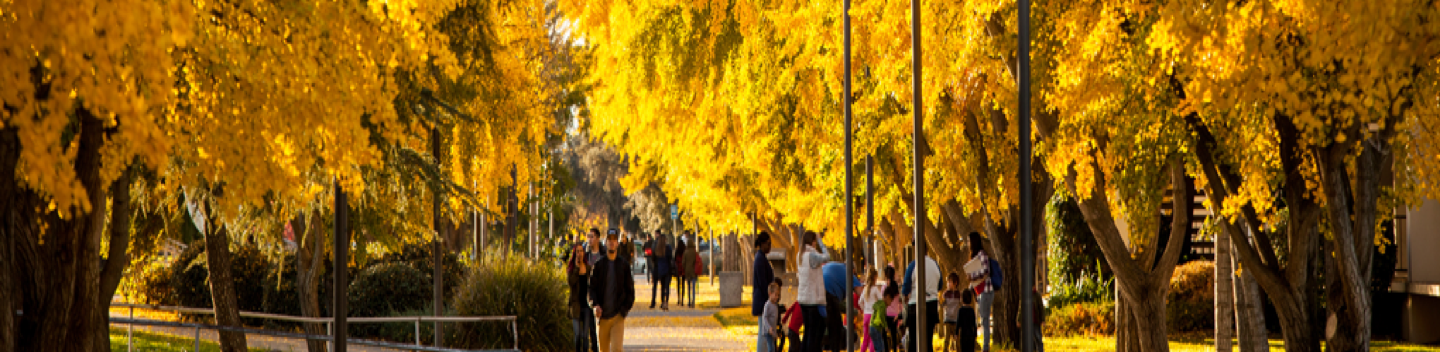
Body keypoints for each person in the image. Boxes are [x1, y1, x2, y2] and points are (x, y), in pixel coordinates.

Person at [589, 228, 636, 352]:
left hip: (617, 316)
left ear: (617, 243)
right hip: (602, 317)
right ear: (605, 242)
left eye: (614, 239)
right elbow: (591, 289)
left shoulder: (624, 266)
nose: (611, 242)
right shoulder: (599, 265)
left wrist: (624, 310)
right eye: (609, 239)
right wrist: (595, 305)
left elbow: (630, 291)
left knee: (616, 349)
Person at [796, 231, 828, 352]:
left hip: (803, 299)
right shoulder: (811, 256)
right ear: (812, 241)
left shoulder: (800, 255)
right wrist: (821, 241)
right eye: (815, 240)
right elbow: (827, 257)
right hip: (812, 300)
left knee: (807, 332)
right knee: (812, 334)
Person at [902, 252, 940, 352]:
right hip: (932, 304)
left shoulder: (913, 265)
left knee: (913, 341)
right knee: (928, 340)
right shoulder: (935, 264)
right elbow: (940, 284)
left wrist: (906, 296)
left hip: (915, 305)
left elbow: (906, 286)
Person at [965, 232, 995, 352]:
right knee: (983, 319)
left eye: (968, 241)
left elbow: (986, 271)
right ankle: (985, 346)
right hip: (980, 291)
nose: (967, 244)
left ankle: (985, 347)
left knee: (984, 319)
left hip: (986, 291)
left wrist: (972, 276)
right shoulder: (975, 256)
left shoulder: (982, 254)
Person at [568, 235, 593, 352]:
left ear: (584, 253)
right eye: (577, 251)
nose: (579, 253)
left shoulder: (588, 268)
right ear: (575, 254)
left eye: (581, 251)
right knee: (577, 334)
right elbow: (571, 282)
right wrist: (577, 269)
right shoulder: (572, 269)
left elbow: (592, 285)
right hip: (576, 305)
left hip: (587, 305)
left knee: (584, 335)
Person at [753, 231, 776, 318]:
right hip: (762, 300)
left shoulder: (762, 257)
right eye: (768, 244)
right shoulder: (760, 259)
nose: (770, 247)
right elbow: (762, 281)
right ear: (763, 244)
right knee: (764, 328)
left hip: (763, 300)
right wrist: (770, 297)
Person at [859, 268, 882, 352]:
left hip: (866, 315)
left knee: (865, 338)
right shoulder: (875, 289)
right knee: (873, 339)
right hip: (873, 316)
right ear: (874, 278)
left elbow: (860, 302)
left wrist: (864, 309)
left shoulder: (865, 289)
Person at [651, 232, 674, 310]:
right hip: (667, 270)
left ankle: (662, 301)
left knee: (662, 287)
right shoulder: (668, 248)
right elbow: (670, 258)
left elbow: (653, 259)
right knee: (666, 287)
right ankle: (665, 302)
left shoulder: (657, 249)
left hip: (659, 270)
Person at [942, 272, 963, 352]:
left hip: (956, 321)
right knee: (946, 339)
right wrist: (941, 299)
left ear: (955, 283)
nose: (948, 284)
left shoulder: (959, 294)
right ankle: (945, 350)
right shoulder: (946, 294)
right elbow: (942, 304)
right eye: (947, 282)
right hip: (947, 319)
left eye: (949, 282)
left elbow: (961, 305)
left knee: (957, 339)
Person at [759, 282, 783, 352]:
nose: (777, 297)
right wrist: (768, 327)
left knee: (773, 347)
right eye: (775, 295)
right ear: (770, 293)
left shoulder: (775, 305)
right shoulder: (767, 305)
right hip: (768, 331)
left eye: (778, 295)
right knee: (771, 348)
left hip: (773, 331)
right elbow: (764, 317)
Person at [883, 266, 902, 352]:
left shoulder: (884, 288)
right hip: (894, 315)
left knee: (884, 335)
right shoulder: (896, 288)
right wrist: (900, 314)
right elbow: (899, 302)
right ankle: (894, 350)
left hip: (886, 314)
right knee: (894, 336)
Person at [681, 235, 701, 308]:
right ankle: (693, 301)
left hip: (687, 271)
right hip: (694, 271)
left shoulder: (685, 252)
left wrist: (685, 268)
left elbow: (683, 262)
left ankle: (689, 301)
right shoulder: (695, 252)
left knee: (688, 287)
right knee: (693, 287)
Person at [673, 236, 688, 307]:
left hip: (678, 268)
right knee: (683, 284)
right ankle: (682, 299)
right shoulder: (685, 251)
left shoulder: (677, 251)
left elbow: (675, 259)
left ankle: (678, 299)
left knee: (678, 284)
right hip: (683, 268)